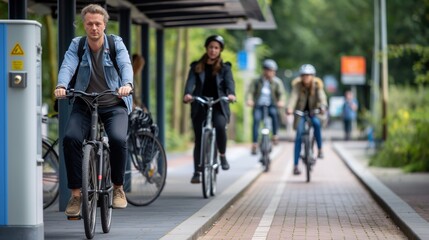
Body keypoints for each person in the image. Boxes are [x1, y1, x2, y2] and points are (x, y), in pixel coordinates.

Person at [54, 4, 133, 217]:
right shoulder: (77, 45)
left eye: (98, 24)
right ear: (84, 25)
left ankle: (118, 188)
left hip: (114, 103)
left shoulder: (116, 44)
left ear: (105, 25)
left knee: (117, 139)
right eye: (90, 24)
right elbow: (68, 66)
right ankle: (77, 194)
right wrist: (62, 85)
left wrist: (127, 84)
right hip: (85, 103)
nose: (94, 28)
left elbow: (126, 65)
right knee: (70, 138)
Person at [183, 35, 236, 184]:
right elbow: (190, 83)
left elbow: (229, 84)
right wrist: (187, 94)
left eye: (216, 48)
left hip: (219, 104)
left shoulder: (225, 68)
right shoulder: (196, 67)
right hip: (200, 103)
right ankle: (197, 172)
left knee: (220, 126)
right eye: (211, 47)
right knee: (199, 138)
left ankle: (222, 155)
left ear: (220, 50)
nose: (213, 50)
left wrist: (231, 94)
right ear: (206, 48)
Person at [286, 64, 327, 175]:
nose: (306, 78)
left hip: (313, 112)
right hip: (300, 113)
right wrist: (290, 108)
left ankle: (320, 149)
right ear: (301, 76)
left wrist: (322, 106)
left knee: (317, 124)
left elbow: (322, 97)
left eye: (308, 75)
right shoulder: (297, 86)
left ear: (312, 76)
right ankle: (295, 165)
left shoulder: (317, 86)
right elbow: (293, 97)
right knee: (299, 135)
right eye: (304, 76)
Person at [246, 59, 286, 155]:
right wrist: (250, 100)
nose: (269, 72)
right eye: (267, 70)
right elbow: (250, 92)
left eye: (272, 70)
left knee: (274, 114)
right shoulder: (256, 81)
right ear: (263, 70)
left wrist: (281, 101)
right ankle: (255, 143)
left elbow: (281, 94)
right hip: (259, 105)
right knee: (256, 120)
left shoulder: (277, 82)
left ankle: (275, 135)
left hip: (272, 105)